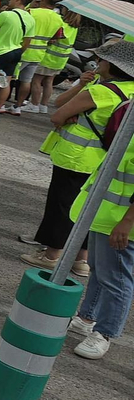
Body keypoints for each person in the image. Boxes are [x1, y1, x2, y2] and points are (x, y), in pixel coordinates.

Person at [17, 42, 134, 277]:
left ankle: (52, 255)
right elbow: (62, 106)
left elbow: (58, 113)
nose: (98, 62)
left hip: (76, 156)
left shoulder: (100, 91)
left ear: (111, 65)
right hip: (106, 160)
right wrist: (82, 83)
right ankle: (82, 260)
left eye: (102, 59)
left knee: (63, 206)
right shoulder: (128, 89)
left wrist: (79, 99)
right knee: (88, 208)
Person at [64, 124, 134, 360]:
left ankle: (104, 334)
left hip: (121, 221)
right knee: (100, 271)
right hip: (105, 213)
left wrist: (127, 221)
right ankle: (86, 318)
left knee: (117, 279)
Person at [0, 0, 34, 118]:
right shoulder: (30, 19)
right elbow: (27, 41)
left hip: (0, 50)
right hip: (16, 51)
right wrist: (19, 51)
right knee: (5, 81)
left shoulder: (6, 15)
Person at [20, 0, 64, 113]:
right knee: (26, 81)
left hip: (23, 50)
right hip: (39, 53)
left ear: (43, 0)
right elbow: (56, 37)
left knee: (9, 78)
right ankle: (17, 106)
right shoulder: (58, 18)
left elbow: (20, 28)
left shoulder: (32, 12)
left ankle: (0, 104)